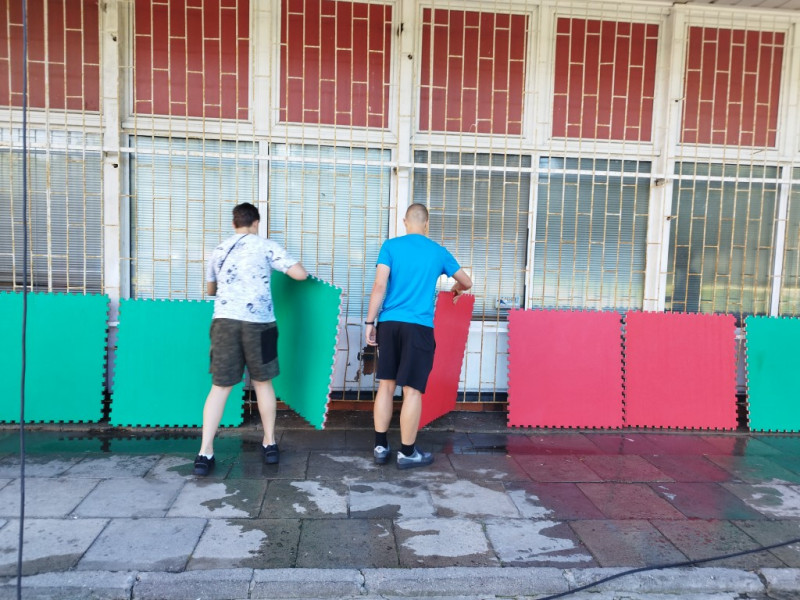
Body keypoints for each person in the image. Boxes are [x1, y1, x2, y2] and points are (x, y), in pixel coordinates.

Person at [194, 202, 308, 476]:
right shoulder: (266, 246)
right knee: (262, 383)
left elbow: (210, 289)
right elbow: (300, 275)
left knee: (220, 387)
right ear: (256, 223)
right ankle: (269, 443)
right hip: (260, 324)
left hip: (225, 323)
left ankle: (205, 453)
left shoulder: (219, 250)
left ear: (234, 224)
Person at [365, 203, 473, 469]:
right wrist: (456, 290)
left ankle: (380, 447)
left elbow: (379, 285)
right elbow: (467, 281)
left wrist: (369, 322)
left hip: (389, 323)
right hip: (418, 327)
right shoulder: (438, 252)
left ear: (405, 222)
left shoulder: (390, 246)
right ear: (427, 223)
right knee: (412, 391)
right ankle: (407, 453)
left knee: (386, 385)